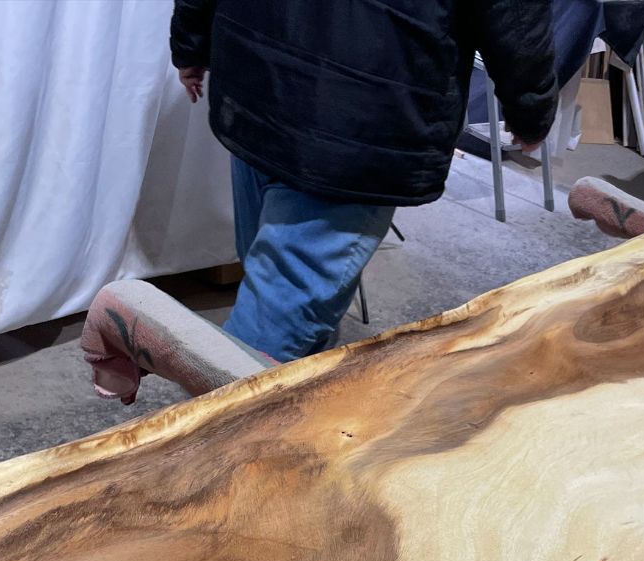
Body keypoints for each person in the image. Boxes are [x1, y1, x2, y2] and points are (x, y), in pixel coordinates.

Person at [169, 0, 556, 362]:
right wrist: (530, 106)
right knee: (269, 330)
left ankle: (291, 395)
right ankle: (223, 411)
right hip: (360, 114)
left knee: (280, 293)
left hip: (259, 71)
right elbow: (514, 12)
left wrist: (192, 41)